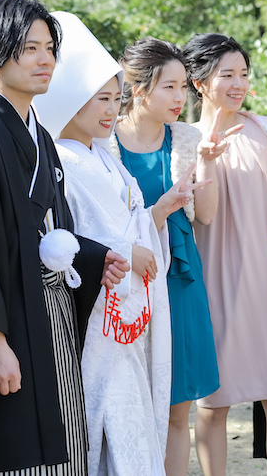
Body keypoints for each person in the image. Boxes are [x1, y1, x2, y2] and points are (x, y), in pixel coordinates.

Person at [0, 0, 130, 476]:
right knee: (8, 450)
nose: (46, 60)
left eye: (50, 49)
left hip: (49, 311)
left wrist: (91, 257)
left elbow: (48, 228)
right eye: (30, 48)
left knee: (62, 444)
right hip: (2, 322)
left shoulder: (40, 136)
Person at [34, 13, 203, 476]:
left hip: (126, 316)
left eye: (115, 98)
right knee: (106, 423)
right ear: (72, 101)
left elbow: (132, 224)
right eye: (101, 100)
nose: (112, 110)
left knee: (133, 421)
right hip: (97, 319)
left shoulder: (102, 158)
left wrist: (159, 213)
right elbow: (70, 237)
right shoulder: (62, 160)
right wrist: (128, 253)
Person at [181, 34, 267, 476]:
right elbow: (203, 216)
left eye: (243, 74)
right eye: (227, 75)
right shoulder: (183, 139)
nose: (239, 84)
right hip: (213, 283)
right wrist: (205, 159)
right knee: (213, 403)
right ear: (200, 83)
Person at [108, 38, 226, 476]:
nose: (181, 97)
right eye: (169, 87)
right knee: (133, 399)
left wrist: (208, 163)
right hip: (126, 281)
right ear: (139, 90)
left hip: (179, 277)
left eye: (183, 87)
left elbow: (206, 215)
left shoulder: (188, 138)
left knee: (178, 406)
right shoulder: (103, 139)